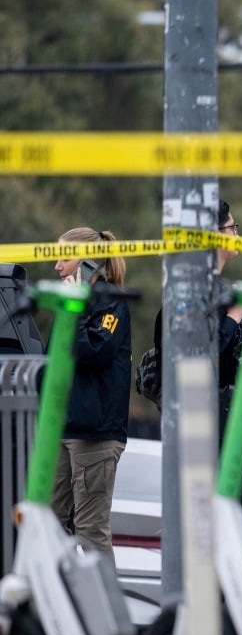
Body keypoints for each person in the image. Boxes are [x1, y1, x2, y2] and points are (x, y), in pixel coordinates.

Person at [50, 228, 132, 560]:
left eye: (64, 258)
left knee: (90, 531)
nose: (57, 266)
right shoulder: (71, 303)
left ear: (87, 263)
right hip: (63, 427)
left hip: (95, 434)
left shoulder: (111, 301)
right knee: (49, 524)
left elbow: (93, 351)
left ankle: (104, 596)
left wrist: (76, 309)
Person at [140, 201, 242, 439]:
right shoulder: (196, 293)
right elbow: (199, 357)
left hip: (216, 417)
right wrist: (234, 318)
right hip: (198, 420)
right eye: (232, 228)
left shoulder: (211, 289)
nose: (237, 235)